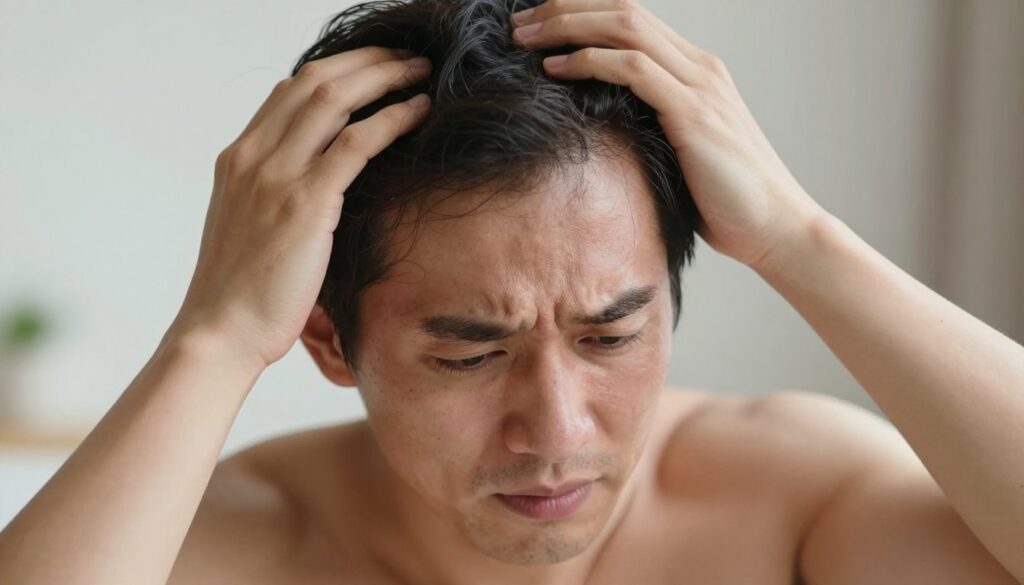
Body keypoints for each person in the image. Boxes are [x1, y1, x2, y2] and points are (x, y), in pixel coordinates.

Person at [1, 0, 1021, 582]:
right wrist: (216, 334)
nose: (554, 429)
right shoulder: (239, 543)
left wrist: (802, 240)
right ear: (326, 338)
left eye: (611, 336)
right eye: (469, 354)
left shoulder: (794, 499)